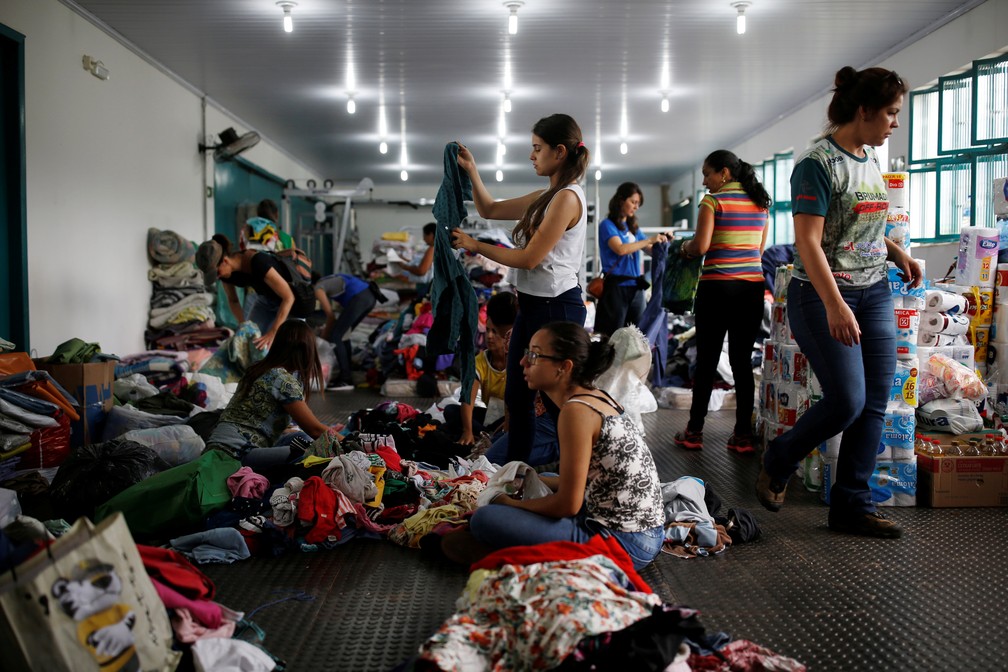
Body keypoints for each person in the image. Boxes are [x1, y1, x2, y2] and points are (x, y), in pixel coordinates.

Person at [755, 66, 920, 539]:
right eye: (890, 113)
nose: (894, 123)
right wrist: (835, 305)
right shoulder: (817, 162)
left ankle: (851, 504)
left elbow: (860, 225)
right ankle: (780, 456)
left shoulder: (868, 159)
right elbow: (807, 241)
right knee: (847, 400)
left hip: (875, 293)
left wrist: (896, 251)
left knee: (874, 404)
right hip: (821, 294)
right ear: (863, 110)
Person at [442, 322, 665, 570]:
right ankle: (517, 547)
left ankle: (509, 552)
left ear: (564, 367)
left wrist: (508, 503)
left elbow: (567, 505)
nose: (523, 363)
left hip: (624, 543)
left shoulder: (576, 411)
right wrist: (530, 477)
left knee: (485, 518)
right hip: (644, 532)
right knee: (545, 477)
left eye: (535, 355)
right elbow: (590, 481)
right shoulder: (596, 398)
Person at [450, 113, 590, 464]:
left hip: (557, 308)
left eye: (537, 148)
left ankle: (571, 472)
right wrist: (472, 170)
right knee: (517, 394)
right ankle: (518, 472)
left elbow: (529, 259)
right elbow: (490, 207)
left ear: (559, 152)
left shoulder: (568, 199)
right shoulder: (547, 196)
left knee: (558, 400)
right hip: (531, 306)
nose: (531, 156)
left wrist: (475, 245)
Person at [674, 150, 771, 455]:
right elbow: (758, 249)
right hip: (751, 290)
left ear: (725, 173)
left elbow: (701, 246)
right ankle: (742, 435)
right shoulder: (760, 204)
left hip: (717, 289)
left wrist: (684, 249)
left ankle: (694, 432)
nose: (705, 182)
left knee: (706, 361)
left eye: (707, 174)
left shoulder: (713, 202)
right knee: (742, 363)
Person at [204, 319, 336, 470]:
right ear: (306, 351)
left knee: (300, 439)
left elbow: (253, 420)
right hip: (236, 454)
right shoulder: (283, 380)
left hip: (217, 446)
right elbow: (315, 429)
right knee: (317, 453)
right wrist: (351, 444)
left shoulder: (257, 368)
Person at [196, 234, 309, 350]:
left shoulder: (258, 262)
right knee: (250, 343)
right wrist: (243, 325)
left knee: (283, 349)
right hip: (266, 300)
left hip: (293, 304)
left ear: (225, 261)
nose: (218, 277)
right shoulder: (225, 275)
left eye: (217, 273)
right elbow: (233, 300)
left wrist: (273, 332)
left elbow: (289, 297)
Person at [594, 182, 668, 336]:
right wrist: (649, 240)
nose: (636, 207)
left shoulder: (633, 228)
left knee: (637, 334)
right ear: (621, 200)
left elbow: (651, 251)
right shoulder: (607, 225)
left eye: (638, 204)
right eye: (633, 202)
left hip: (636, 288)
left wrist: (663, 242)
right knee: (612, 334)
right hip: (616, 287)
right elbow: (621, 249)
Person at [451, 291, 518, 445]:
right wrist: (467, 431)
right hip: (491, 418)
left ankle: (488, 436)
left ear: (507, 333)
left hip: (512, 418)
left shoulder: (518, 361)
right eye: (487, 330)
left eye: (495, 331)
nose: (489, 336)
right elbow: (468, 398)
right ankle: (487, 435)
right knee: (451, 412)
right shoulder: (480, 361)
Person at [314, 273, 385, 391]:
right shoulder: (331, 279)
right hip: (370, 297)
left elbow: (330, 317)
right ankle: (346, 375)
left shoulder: (318, 287)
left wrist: (322, 339)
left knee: (336, 336)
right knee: (343, 336)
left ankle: (345, 379)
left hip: (361, 298)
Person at [397, 223, 436, 297]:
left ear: (431, 234)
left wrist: (404, 266)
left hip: (426, 287)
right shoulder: (437, 248)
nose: (424, 239)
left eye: (424, 235)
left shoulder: (432, 248)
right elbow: (423, 263)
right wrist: (403, 260)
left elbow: (421, 271)